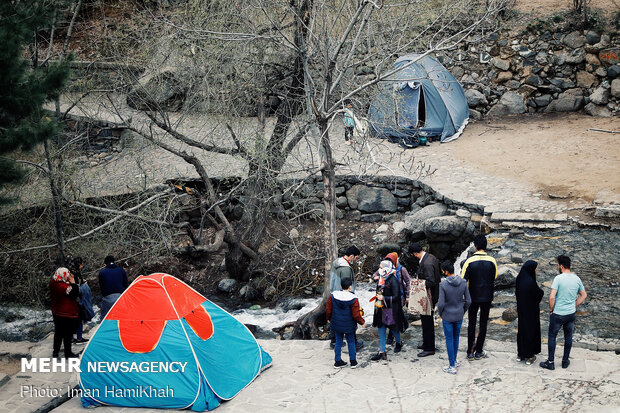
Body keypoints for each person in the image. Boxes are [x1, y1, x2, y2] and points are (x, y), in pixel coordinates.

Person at [540, 255, 587, 370]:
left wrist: (551, 310)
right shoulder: (577, 279)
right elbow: (583, 295)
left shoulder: (558, 278)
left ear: (561, 266)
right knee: (568, 337)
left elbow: (552, 297)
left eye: (557, 265)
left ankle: (550, 363)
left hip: (558, 314)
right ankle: (565, 361)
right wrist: (574, 304)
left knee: (552, 336)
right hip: (570, 314)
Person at [460, 234, 497, 361]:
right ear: (485, 246)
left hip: (472, 296)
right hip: (487, 296)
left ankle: (470, 351)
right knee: (483, 323)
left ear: (475, 246)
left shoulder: (469, 261)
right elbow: (495, 276)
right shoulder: (492, 261)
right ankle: (479, 351)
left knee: (471, 323)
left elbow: (462, 280)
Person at [437, 261, 471, 374]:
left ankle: (451, 366)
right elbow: (468, 301)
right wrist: (462, 310)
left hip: (447, 315)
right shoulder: (463, 282)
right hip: (459, 315)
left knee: (449, 339)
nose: (442, 272)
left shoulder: (443, 285)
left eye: (442, 271)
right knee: (456, 338)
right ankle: (455, 361)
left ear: (446, 272)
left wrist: (440, 313)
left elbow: (441, 303)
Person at [370, 260, 407, 361]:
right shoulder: (381, 278)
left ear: (387, 268)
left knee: (394, 329)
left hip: (391, 309)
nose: (379, 269)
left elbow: (396, 296)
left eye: (381, 267)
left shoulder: (393, 280)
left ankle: (399, 342)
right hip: (381, 308)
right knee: (381, 329)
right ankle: (382, 351)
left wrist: (384, 298)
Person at [409, 242, 441, 357]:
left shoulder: (427, 263)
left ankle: (429, 348)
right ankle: (427, 343)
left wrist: (417, 285)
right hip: (432, 295)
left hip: (429, 297)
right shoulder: (430, 257)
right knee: (426, 321)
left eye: (413, 254)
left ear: (416, 253)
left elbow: (431, 281)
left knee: (427, 322)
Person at [326, 277, 366, 369]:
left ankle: (337, 361)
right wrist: (362, 322)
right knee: (351, 342)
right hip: (349, 325)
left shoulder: (333, 295)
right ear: (350, 287)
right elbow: (356, 315)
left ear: (340, 286)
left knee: (338, 342)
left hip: (336, 324)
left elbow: (328, 309)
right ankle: (353, 362)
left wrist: (328, 318)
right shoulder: (354, 298)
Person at [329, 246, 364, 350]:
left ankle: (333, 342)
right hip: (344, 297)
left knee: (335, 318)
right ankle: (355, 343)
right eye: (356, 258)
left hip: (334, 295)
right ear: (351, 256)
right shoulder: (345, 269)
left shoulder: (337, 262)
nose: (356, 260)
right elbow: (347, 285)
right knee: (350, 319)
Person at [515, 260, 544, 365]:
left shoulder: (520, 278)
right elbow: (538, 294)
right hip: (531, 311)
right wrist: (542, 292)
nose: (536, 270)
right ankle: (530, 356)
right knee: (530, 331)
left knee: (522, 330)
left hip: (521, 309)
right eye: (535, 268)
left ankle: (520, 354)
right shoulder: (531, 282)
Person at [49, 267, 80, 358]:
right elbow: (75, 293)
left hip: (56, 311)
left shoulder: (52, 283)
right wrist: (73, 281)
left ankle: (55, 352)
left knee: (58, 332)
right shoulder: (65, 287)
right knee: (67, 334)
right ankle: (68, 353)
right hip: (66, 313)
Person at [67, 257, 94, 343]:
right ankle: (79, 338)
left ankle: (71, 338)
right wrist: (84, 285)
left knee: (72, 320)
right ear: (78, 264)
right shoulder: (75, 274)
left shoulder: (68, 273)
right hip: (77, 300)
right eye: (81, 264)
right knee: (79, 320)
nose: (82, 266)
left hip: (71, 300)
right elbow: (76, 286)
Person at [98, 255, 129, 320]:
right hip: (120, 297)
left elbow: (102, 288)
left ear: (105, 264)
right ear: (114, 262)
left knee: (104, 318)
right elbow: (126, 285)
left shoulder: (101, 273)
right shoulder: (121, 271)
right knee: (122, 317)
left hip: (108, 298)